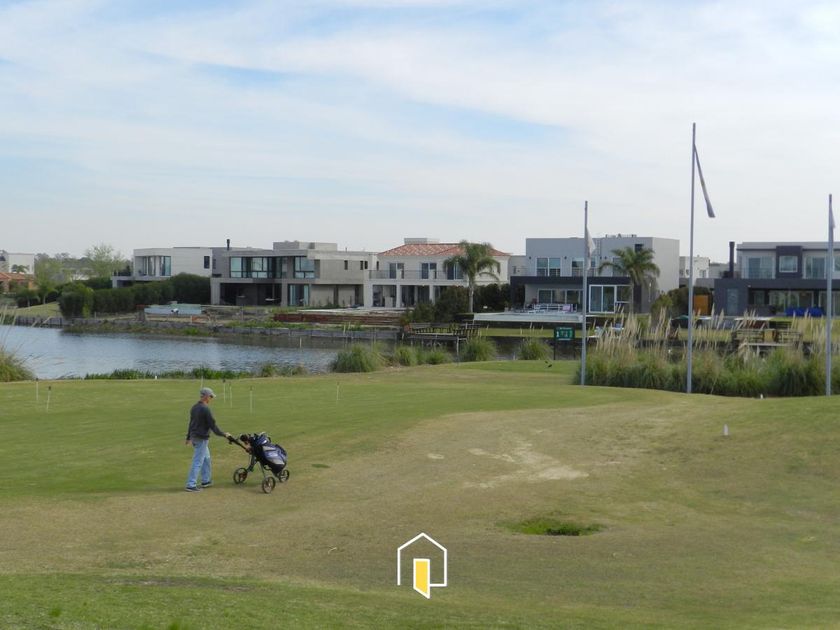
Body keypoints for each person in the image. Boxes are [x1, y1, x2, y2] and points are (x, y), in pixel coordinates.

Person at [184, 387, 231, 492]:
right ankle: (190, 484)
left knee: (206, 459)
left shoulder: (194, 407)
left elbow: (191, 423)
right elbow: (213, 426)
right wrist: (224, 434)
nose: (211, 398)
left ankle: (206, 481)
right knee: (198, 461)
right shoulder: (205, 409)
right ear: (205, 396)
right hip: (201, 438)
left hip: (195, 437)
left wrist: (188, 437)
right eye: (210, 396)